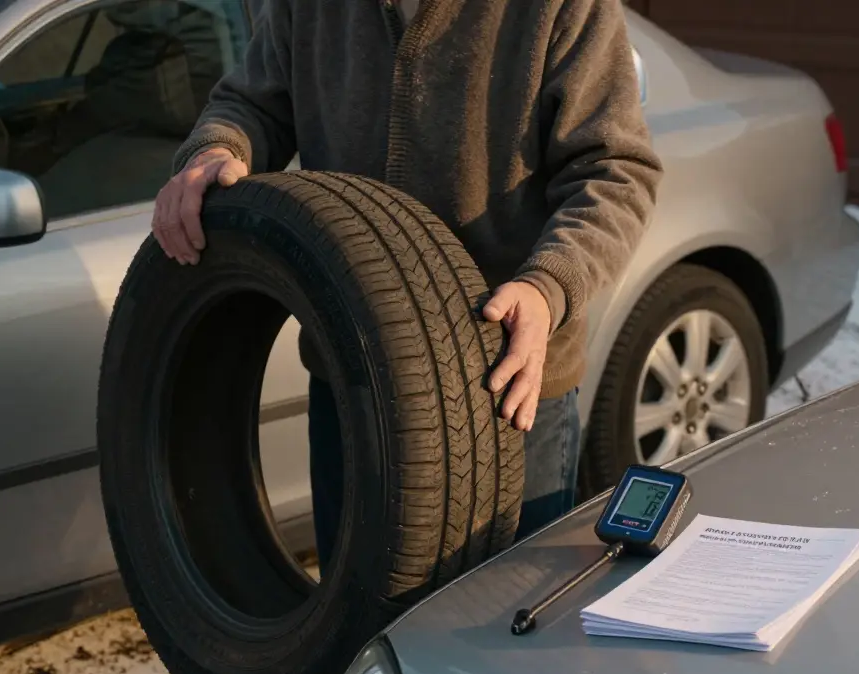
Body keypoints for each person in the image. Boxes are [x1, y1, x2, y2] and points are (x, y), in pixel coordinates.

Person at [150, 0, 663, 570]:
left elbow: (617, 171)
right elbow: (253, 103)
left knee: (497, 627)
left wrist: (549, 287)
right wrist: (219, 147)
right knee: (355, 631)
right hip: (352, 373)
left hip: (504, 383)